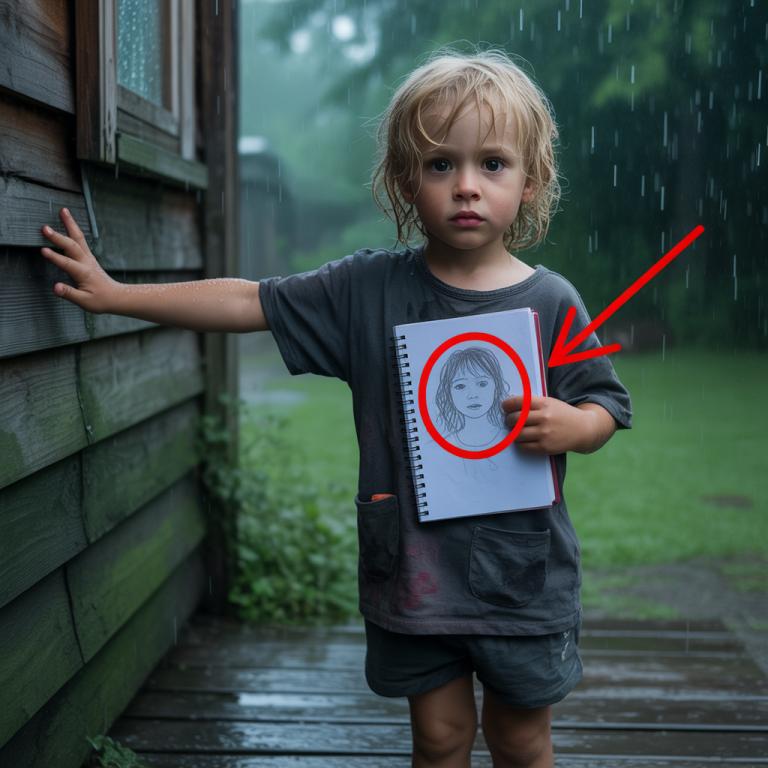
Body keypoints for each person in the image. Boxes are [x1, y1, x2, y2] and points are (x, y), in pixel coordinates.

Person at [41, 49, 631, 768]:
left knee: (520, 740)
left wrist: (577, 425)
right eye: (441, 164)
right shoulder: (365, 291)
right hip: (414, 579)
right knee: (439, 740)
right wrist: (118, 295)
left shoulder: (551, 301)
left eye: (493, 165)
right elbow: (248, 299)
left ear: (531, 180)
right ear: (406, 181)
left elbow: (603, 402)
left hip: (522, 584)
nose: (467, 187)